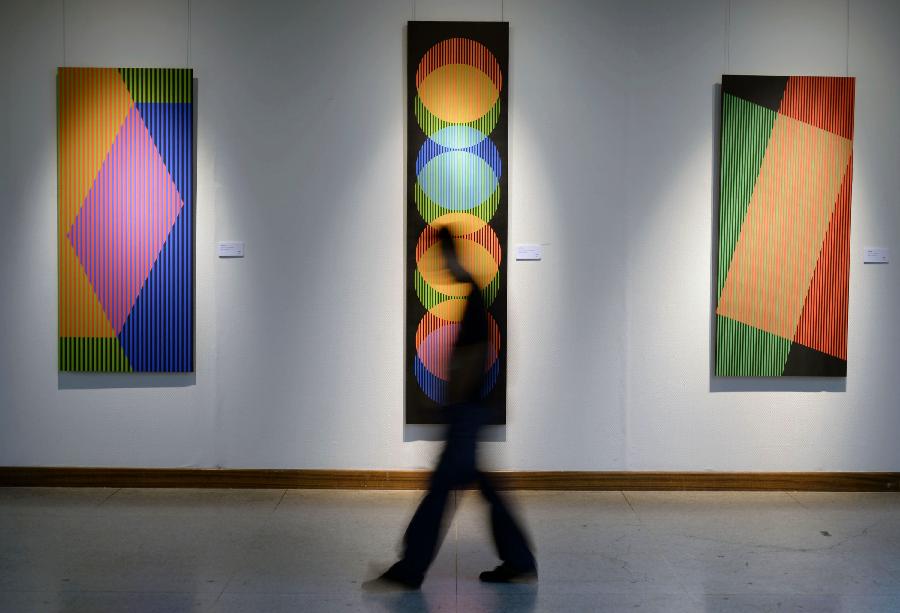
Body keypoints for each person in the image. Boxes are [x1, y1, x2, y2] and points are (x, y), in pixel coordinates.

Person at [373, 226, 536, 589]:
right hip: (468, 411)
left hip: (466, 412)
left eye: (441, 256)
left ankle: (412, 568)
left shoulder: (474, 297)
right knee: (474, 486)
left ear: (449, 254)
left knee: (442, 487)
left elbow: (473, 356)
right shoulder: (473, 294)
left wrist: (454, 404)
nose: (440, 267)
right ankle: (519, 559)